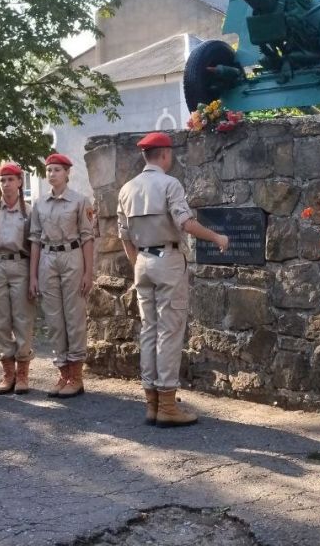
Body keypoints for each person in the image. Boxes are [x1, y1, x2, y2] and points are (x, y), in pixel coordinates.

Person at [117, 132, 230, 427]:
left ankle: (152, 403)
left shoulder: (127, 188)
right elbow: (185, 222)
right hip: (167, 259)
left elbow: (124, 235)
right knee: (169, 331)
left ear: (145, 156)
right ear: (165, 155)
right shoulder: (169, 184)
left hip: (141, 260)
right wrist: (216, 236)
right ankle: (167, 405)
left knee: (149, 331)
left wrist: (139, 263)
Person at [28, 153, 94, 398]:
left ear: (67, 173)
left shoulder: (80, 201)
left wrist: (89, 271)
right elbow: (34, 239)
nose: (52, 174)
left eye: (57, 170)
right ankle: (63, 372)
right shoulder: (40, 203)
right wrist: (33, 275)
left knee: (74, 316)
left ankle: (76, 375)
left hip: (72, 257)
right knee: (54, 319)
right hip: (47, 258)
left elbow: (87, 237)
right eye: (49, 170)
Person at [0, 161, 35, 395]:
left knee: (23, 319)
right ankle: (7, 372)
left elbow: (35, 245)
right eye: (3, 180)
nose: (7, 184)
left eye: (11, 179)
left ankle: (22, 373)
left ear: (20, 182)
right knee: (0, 320)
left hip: (21, 264)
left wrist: (33, 276)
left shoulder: (30, 211)